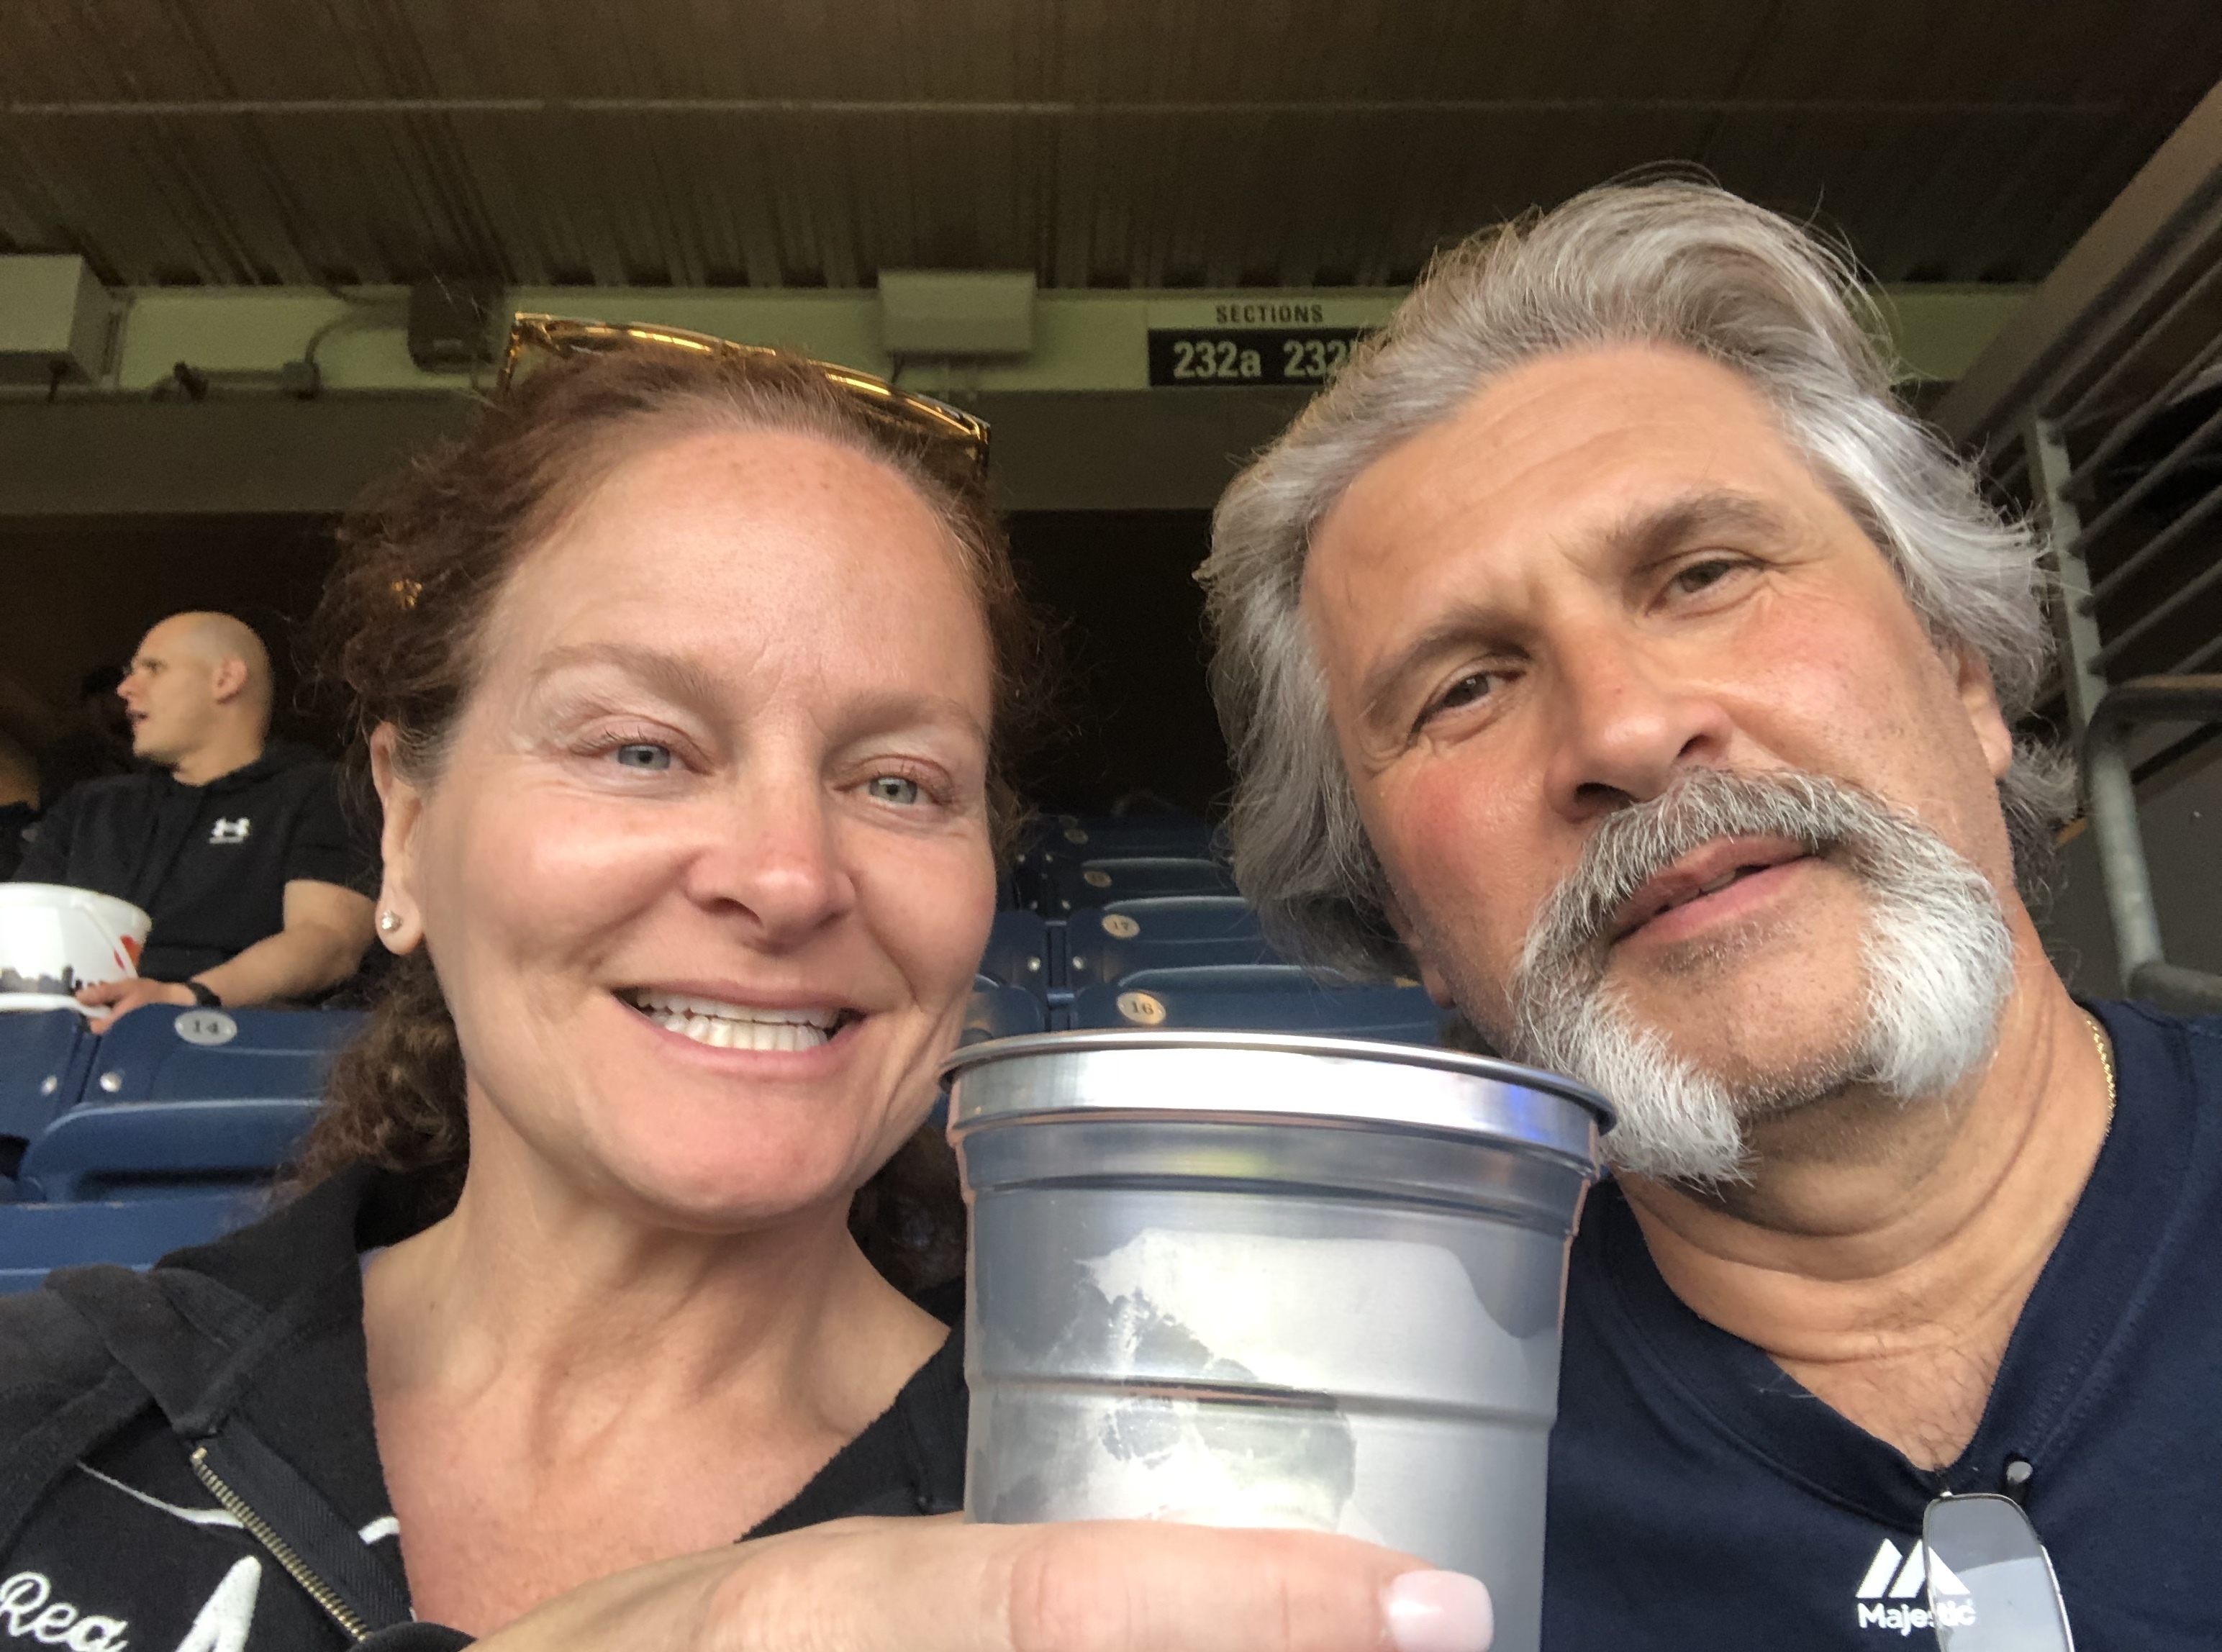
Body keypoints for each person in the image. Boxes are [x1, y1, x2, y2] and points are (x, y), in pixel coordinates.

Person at [0, 332, 1492, 1652]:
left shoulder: (1171, 1512)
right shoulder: (53, 1401)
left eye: (897, 781)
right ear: (403, 819)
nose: (787, 875)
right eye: (641, 747)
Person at [1200, 181, 2219, 1648]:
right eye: (1465, 686)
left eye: (1702, 573)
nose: (1621, 728)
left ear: (1960, 674)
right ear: (1401, 916)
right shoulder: (1320, 1509)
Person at [12, 612, 376, 1017]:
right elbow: (18, 929)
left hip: (232, 1037)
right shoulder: (90, 807)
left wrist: (185, 997)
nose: (125, 689)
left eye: (153, 668)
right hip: (63, 1032)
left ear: (226, 679)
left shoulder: (320, 792)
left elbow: (328, 941)